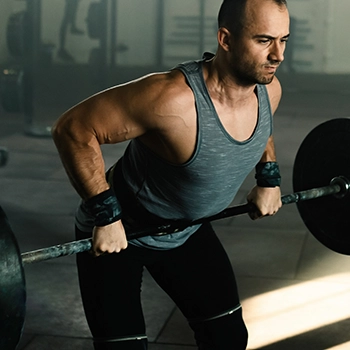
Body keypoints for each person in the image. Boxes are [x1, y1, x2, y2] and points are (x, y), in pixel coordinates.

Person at [52, 0, 290, 348]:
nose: (277, 54)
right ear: (226, 39)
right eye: (264, 40)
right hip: (122, 232)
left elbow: (261, 125)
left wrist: (268, 176)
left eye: (284, 40)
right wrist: (105, 215)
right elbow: (73, 129)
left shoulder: (269, 91)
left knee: (227, 338)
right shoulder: (170, 98)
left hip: (187, 230)